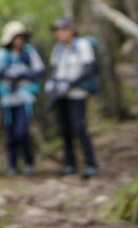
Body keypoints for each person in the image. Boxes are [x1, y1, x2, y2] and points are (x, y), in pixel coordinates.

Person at [45, 16, 98, 178]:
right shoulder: (58, 49)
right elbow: (53, 68)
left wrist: (70, 83)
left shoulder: (82, 45)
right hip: (60, 95)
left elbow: (88, 68)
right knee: (64, 129)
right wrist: (52, 83)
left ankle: (90, 163)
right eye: (57, 31)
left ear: (71, 30)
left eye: (62, 30)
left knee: (79, 127)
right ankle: (70, 163)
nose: (59, 34)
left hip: (77, 93)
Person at [0, 20, 45, 176]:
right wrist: (7, 74)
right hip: (6, 99)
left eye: (21, 37)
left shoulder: (29, 52)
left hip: (24, 98)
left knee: (21, 131)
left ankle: (29, 162)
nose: (19, 41)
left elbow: (39, 71)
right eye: (16, 37)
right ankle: (12, 165)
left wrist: (23, 75)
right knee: (10, 134)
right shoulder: (1, 55)